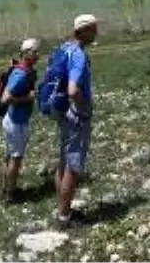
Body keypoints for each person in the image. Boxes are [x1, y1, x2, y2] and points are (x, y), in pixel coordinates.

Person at [54, 13, 99, 229]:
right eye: (92, 28)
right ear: (82, 31)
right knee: (73, 165)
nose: (96, 32)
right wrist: (85, 107)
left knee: (63, 160)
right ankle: (64, 217)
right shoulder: (79, 55)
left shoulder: (64, 48)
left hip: (62, 112)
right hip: (76, 116)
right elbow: (73, 89)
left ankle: (62, 208)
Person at [0, 38, 40, 204]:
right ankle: (11, 195)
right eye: (35, 51)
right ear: (27, 53)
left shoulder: (25, 70)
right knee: (15, 159)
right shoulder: (20, 74)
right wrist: (27, 98)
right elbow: (5, 99)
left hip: (14, 120)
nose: (38, 55)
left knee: (9, 157)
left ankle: (6, 189)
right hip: (16, 122)